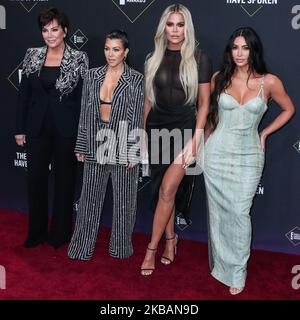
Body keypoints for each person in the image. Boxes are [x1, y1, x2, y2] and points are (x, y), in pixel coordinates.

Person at [204, 27, 295, 295]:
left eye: (245, 47)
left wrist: (265, 132)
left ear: (254, 50)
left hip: (249, 155)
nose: (240, 53)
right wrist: (199, 147)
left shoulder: (269, 82)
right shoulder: (219, 78)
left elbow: (289, 109)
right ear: (229, 50)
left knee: (240, 213)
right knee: (219, 214)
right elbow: (212, 118)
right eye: (235, 47)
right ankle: (223, 266)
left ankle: (237, 270)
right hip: (216, 153)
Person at [140, 4, 212, 276]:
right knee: (163, 192)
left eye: (180, 24)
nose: (175, 30)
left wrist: (196, 140)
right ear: (163, 27)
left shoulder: (199, 58)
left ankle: (151, 248)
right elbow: (149, 100)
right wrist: (142, 135)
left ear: (187, 28)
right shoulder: (152, 58)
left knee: (168, 190)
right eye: (170, 24)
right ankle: (171, 240)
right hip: (157, 128)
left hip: (183, 131)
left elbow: (204, 104)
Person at [15, 7, 89, 249]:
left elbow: (82, 100)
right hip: (36, 129)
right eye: (45, 30)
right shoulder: (32, 55)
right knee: (35, 180)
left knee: (65, 182)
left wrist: (82, 136)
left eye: (54, 29)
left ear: (65, 31)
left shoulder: (79, 58)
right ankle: (36, 233)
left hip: (67, 130)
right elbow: (23, 95)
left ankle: (60, 234)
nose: (49, 34)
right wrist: (19, 128)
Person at [68, 30, 144, 260]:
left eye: (116, 49)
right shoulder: (91, 76)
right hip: (95, 140)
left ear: (126, 52)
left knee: (124, 202)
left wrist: (133, 150)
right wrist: (81, 144)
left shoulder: (136, 79)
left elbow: (138, 116)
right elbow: (85, 112)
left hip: (122, 141)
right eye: (107, 49)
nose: (110, 54)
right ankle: (81, 248)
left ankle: (120, 248)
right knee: (89, 200)